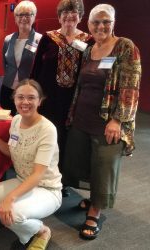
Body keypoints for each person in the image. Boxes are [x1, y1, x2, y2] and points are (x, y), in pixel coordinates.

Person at [63, 4, 141, 240]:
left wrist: (118, 120)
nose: (101, 26)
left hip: (108, 121)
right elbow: (81, 84)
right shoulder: (89, 49)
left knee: (104, 166)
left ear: (113, 22)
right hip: (83, 116)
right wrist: (73, 113)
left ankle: (95, 213)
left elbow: (131, 88)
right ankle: (93, 198)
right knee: (86, 162)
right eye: (96, 22)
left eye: (105, 21)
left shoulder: (126, 47)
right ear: (89, 25)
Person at [0, 79, 62, 249]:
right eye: (20, 97)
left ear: (40, 101)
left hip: (47, 188)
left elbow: (38, 174)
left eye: (31, 98)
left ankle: (41, 230)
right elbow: (11, 152)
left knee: (14, 213)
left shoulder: (47, 129)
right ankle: (14, 219)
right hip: (21, 180)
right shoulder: (16, 120)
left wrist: (9, 199)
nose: (25, 102)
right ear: (14, 99)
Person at [30, 0, 92, 196]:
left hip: (74, 101)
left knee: (68, 141)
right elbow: (36, 70)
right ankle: (41, 176)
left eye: (73, 13)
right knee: (47, 137)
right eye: (65, 13)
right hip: (49, 100)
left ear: (80, 16)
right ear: (59, 16)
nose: (69, 17)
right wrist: (34, 97)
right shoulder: (48, 39)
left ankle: (62, 180)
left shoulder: (88, 41)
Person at [1, 0, 41, 115]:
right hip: (8, 88)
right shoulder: (8, 39)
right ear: (15, 18)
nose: (24, 18)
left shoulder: (40, 40)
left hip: (28, 91)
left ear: (34, 17)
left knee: (25, 121)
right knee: (6, 120)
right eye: (20, 15)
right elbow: (5, 63)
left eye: (28, 14)